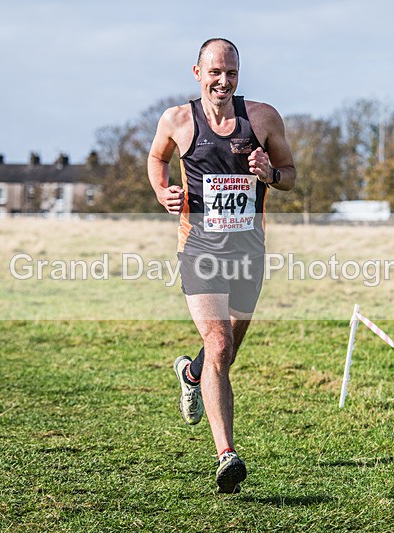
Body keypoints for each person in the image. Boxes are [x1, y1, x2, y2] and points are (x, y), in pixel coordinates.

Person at [147, 38, 296, 493]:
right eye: (214, 73)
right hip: (200, 251)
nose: (223, 81)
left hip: (249, 252)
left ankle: (190, 375)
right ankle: (226, 454)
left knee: (225, 351)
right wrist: (162, 191)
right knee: (217, 344)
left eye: (231, 73)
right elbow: (157, 158)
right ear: (197, 73)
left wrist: (269, 172)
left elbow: (289, 175)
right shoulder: (176, 119)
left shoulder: (264, 118)